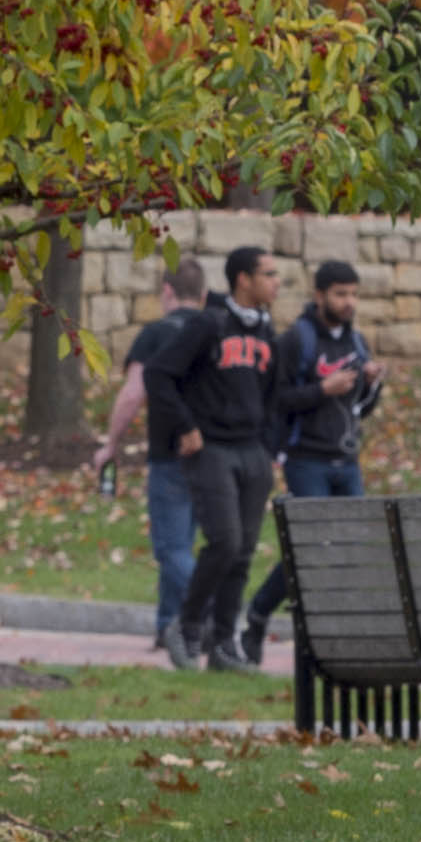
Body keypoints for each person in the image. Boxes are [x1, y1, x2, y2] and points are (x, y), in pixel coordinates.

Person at [147, 244, 290, 673]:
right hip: (210, 449)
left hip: (252, 451)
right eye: (269, 273)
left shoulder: (266, 330)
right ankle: (188, 626)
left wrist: (269, 447)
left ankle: (224, 644)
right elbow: (158, 375)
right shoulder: (208, 324)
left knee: (243, 551)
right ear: (243, 279)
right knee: (224, 541)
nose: (276, 281)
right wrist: (186, 426)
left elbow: (274, 396)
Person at [238, 260, 382, 662]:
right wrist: (322, 389)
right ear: (319, 296)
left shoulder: (356, 343)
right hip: (306, 459)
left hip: (346, 459)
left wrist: (371, 385)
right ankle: (259, 615)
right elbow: (277, 401)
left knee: (351, 546)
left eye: (353, 294)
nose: (348, 302)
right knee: (309, 548)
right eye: (340, 294)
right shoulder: (295, 341)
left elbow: (359, 409)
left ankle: (338, 635)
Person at [91, 259, 216, 667]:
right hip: (212, 452)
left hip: (169, 453)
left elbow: (132, 395)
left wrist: (111, 445)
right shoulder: (215, 331)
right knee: (184, 541)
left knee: (171, 548)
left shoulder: (157, 334)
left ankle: (212, 611)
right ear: (203, 296)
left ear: (166, 291)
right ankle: (168, 626)